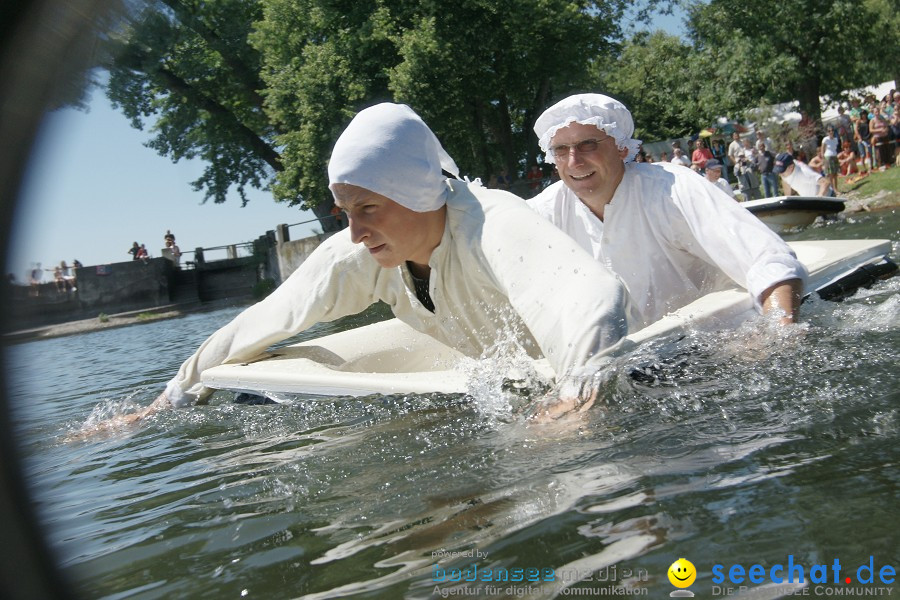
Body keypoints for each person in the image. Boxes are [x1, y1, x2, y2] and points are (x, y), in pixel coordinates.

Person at [119, 103, 630, 424]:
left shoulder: (491, 222)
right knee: (257, 389)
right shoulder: (361, 252)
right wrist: (169, 399)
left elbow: (595, 299)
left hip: (627, 358)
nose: (356, 232)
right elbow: (267, 317)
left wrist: (575, 400)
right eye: (345, 212)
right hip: (497, 371)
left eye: (367, 208)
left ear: (420, 192)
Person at [527, 93, 806, 331]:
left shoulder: (673, 188)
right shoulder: (544, 211)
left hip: (719, 340)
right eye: (561, 150)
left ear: (622, 148)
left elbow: (768, 260)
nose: (574, 161)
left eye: (588, 144)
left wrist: (777, 336)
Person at [820, 126, 841, 194]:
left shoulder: (835, 139)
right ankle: (832, 189)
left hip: (834, 156)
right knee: (830, 174)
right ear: (827, 132)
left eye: (832, 130)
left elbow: (835, 148)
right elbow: (822, 149)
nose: (831, 132)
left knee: (835, 174)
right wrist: (823, 160)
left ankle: (836, 189)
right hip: (828, 157)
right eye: (829, 131)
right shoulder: (825, 139)